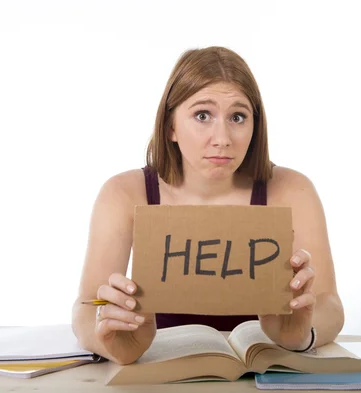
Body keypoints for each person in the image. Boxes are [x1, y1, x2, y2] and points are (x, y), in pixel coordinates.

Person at [72, 46, 344, 365]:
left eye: (238, 117)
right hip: (161, 372)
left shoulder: (292, 190)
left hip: (262, 371)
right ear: (170, 125)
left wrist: (301, 335)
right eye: (203, 115)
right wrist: (111, 339)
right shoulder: (124, 193)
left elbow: (329, 303)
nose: (222, 138)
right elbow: (87, 306)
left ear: (255, 126)